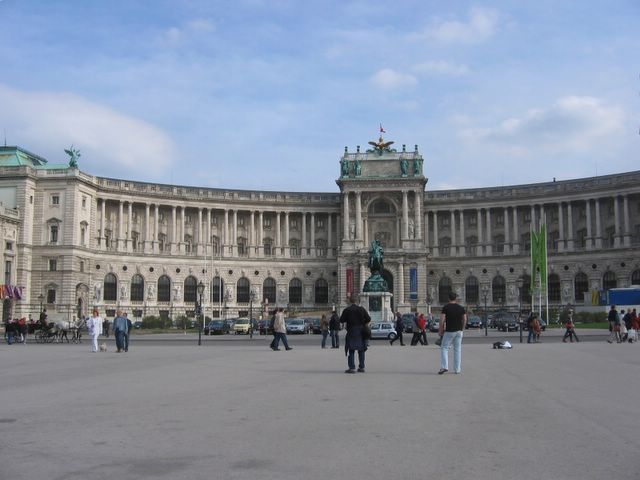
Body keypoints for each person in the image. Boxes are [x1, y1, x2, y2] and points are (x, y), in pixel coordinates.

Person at [340, 294, 371, 373]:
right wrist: (363, 323)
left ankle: (352, 368)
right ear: (357, 301)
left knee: (351, 349)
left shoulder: (347, 310)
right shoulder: (361, 309)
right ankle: (361, 367)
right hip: (361, 331)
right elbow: (368, 319)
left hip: (351, 331)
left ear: (350, 301)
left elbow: (341, 320)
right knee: (361, 350)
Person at [438, 292, 467, 375]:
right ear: (456, 298)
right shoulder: (461, 308)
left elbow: (442, 320)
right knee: (457, 349)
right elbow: (465, 319)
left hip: (449, 331)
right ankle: (457, 369)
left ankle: (444, 367)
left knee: (444, 348)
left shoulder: (446, 307)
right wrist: (462, 328)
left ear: (448, 298)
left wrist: (441, 330)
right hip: (459, 331)